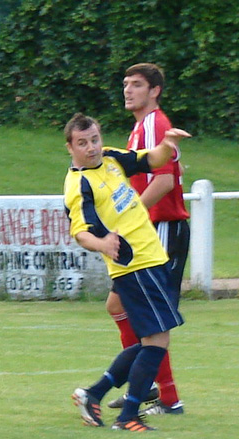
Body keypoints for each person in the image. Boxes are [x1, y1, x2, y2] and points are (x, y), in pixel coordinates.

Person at [64, 113, 190, 432]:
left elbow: (150, 160)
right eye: (83, 143)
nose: (92, 148)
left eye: (94, 139)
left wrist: (168, 144)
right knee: (157, 339)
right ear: (70, 148)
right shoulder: (79, 184)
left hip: (151, 256)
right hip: (133, 264)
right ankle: (128, 416)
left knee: (152, 339)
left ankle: (95, 394)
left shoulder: (110, 158)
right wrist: (103, 243)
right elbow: (80, 231)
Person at [101, 63, 188, 416]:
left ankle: (167, 397)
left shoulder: (155, 124)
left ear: (155, 91)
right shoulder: (141, 127)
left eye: (136, 84)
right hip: (147, 230)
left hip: (162, 228)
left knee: (152, 319)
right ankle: (150, 386)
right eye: (126, 83)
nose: (128, 90)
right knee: (118, 306)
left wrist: (130, 216)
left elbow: (164, 181)